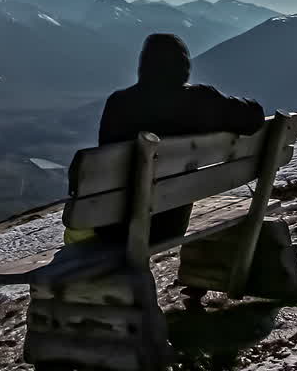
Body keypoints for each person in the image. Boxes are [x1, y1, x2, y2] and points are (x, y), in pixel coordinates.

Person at [93, 33, 265, 306]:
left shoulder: (119, 104)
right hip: (171, 222)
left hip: (118, 227)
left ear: (143, 64)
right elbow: (254, 116)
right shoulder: (201, 99)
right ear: (184, 65)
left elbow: (103, 168)